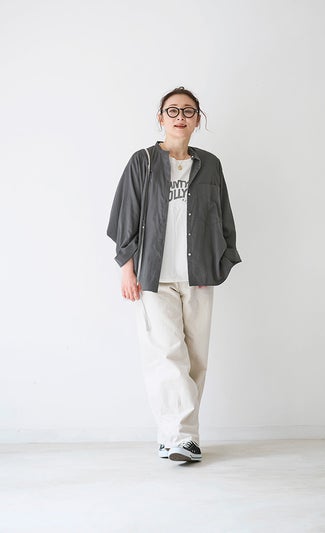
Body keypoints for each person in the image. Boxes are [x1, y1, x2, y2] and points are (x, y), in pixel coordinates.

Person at [107, 87, 241, 462]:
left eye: (188, 111)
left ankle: (172, 436)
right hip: (154, 277)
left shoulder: (210, 165)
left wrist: (223, 260)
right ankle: (184, 437)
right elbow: (125, 216)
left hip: (199, 275)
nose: (180, 117)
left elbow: (224, 216)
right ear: (160, 118)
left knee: (195, 360)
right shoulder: (143, 162)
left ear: (198, 119)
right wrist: (127, 268)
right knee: (167, 356)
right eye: (173, 110)